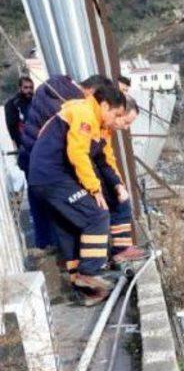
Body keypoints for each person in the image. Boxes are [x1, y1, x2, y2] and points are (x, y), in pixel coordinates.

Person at [28, 83, 126, 305]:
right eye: (116, 115)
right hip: (52, 176)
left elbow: (105, 159)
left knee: (70, 229)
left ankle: (84, 291)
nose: (115, 121)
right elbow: (77, 153)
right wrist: (94, 188)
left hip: (42, 178)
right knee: (97, 215)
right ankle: (89, 274)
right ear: (104, 105)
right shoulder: (84, 113)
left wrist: (116, 184)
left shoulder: (87, 116)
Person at [19, 74, 112, 250]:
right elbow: (75, 148)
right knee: (58, 207)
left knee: (42, 202)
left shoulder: (54, 89)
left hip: (32, 156)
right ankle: (56, 247)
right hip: (44, 162)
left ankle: (46, 243)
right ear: (92, 91)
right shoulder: (72, 102)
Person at [96, 95, 146, 264]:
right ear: (118, 112)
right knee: (117, 203)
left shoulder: (106, 130)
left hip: (99, 170)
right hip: (90, 175)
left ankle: (122, 249)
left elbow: (108, 158)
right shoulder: (95, 124)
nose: (126, 128)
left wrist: (118, 183)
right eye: (126, 122)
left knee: (121, 199)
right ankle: (119, 251)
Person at [4, 75, 33, 147]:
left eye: (31, 87)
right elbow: (11, 125)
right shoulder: (12, 103)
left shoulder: (35, 100)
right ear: (20, 88)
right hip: (23, 140)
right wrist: (16, 142)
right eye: (26, 87)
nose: (29, 90)